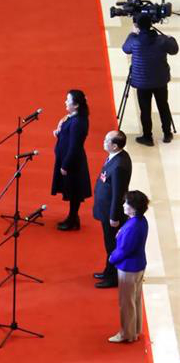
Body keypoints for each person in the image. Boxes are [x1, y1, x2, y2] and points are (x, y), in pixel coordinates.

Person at [122, 14, 178, 145]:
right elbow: (174, 50)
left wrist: (132, 33)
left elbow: (125, 49)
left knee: (145, 110)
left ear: (137, 25)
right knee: (163, 106)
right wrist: (171, 38)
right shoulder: (162, 40)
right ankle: (167, 133)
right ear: (151, 24)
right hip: (160, 81)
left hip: (142, 83)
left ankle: (147, 137)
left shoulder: (134, 40)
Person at [108, 191, 150, 343]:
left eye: (127, 203)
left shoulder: (132, 227)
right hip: (138, 265)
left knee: (126, 303)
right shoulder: (140, 220)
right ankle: (135, 330)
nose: (124, 205)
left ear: (133, 208)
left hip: (128, 268)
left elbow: (125, 250)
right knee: (135, 300)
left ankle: (126, 334)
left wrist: (112, 258)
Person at [92, 130, 132, 289]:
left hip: (111, 212)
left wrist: (114, 216)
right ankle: (108, 271)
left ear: (115, 146)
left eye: (106, 140)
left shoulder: (119, 166)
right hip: (106, 209)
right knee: (109, 244)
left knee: (112, 246)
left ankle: (113, 277)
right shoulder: (116, 157)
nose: (103, 141)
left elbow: (118, 193)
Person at [51, 90, 92, 230]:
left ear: (76, 105)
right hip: (68, 159)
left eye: (68, 100)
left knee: (74, 191)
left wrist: (65, 165)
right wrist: (59, 133)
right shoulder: (73, 118)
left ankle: (73, 219)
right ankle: (73, 217)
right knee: (72, 190)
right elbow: (68, 136)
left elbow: (75, 146)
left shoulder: (78, 122)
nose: (65, 102)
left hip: (72, 163)